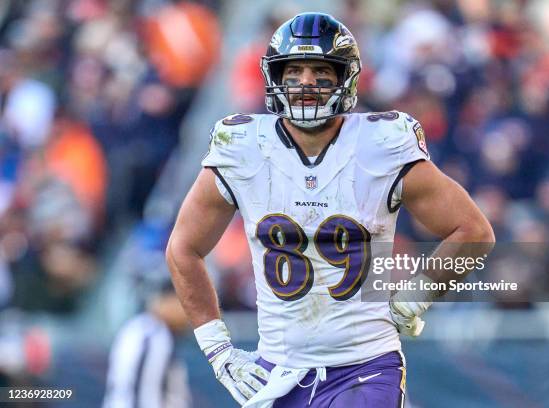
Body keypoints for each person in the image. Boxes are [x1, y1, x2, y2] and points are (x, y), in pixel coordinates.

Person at [166, 12, 494, 408]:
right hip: (278, 372)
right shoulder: (242, 145)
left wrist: (417, 294)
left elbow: (473, 232)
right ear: (275, 77)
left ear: (346, 79)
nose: (306, 83)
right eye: (295, 71)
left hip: (365, 366)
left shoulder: (381, 143)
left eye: (321, 72)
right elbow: (183, 248)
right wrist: (218, 349)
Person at [102, 272, 192, 408]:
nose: (187, 313)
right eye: (183, 304)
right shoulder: (152, 335)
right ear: (165, 301)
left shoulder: (152, 331)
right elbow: (140, 394)